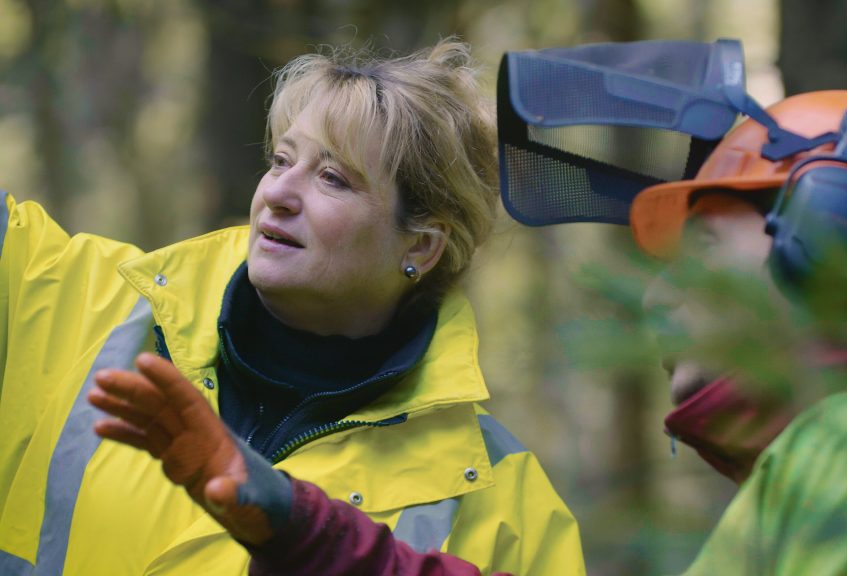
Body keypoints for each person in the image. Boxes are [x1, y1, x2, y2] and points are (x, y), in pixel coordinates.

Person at [89, 67, 847, 574]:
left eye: (698, 254)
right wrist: (300, 525)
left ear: (829, 235)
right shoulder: (821, 483)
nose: (659, 303)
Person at [0, 39, 585, 575]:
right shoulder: (68, 293)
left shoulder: (503, 498)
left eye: (332, 178)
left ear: (421, 246)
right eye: (281, 161)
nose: (277, 194)